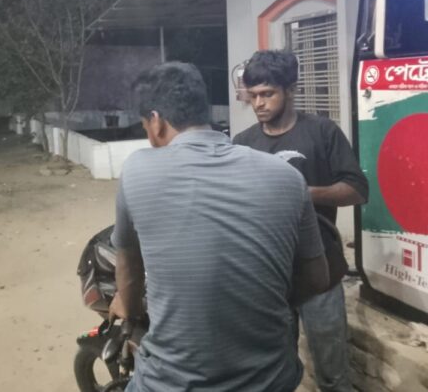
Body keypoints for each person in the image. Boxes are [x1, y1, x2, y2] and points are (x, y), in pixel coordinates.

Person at [110, 62, 330, 391]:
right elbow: (317, 279)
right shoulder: (288, 176)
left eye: (145, 126)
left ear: (155, 121)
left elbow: (129, 272)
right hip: (272, 380)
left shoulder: (137, 170)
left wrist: (127, 305)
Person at [233, 50, 369, 392]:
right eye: (253, 96)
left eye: (268, 94)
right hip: (268, 275)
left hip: (321, 272)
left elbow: (357, 190)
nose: (259, 103)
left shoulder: (322, 132)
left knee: (333, 376)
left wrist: (303, 193)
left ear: (291, 90)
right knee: (276, 375)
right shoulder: (243, 144)